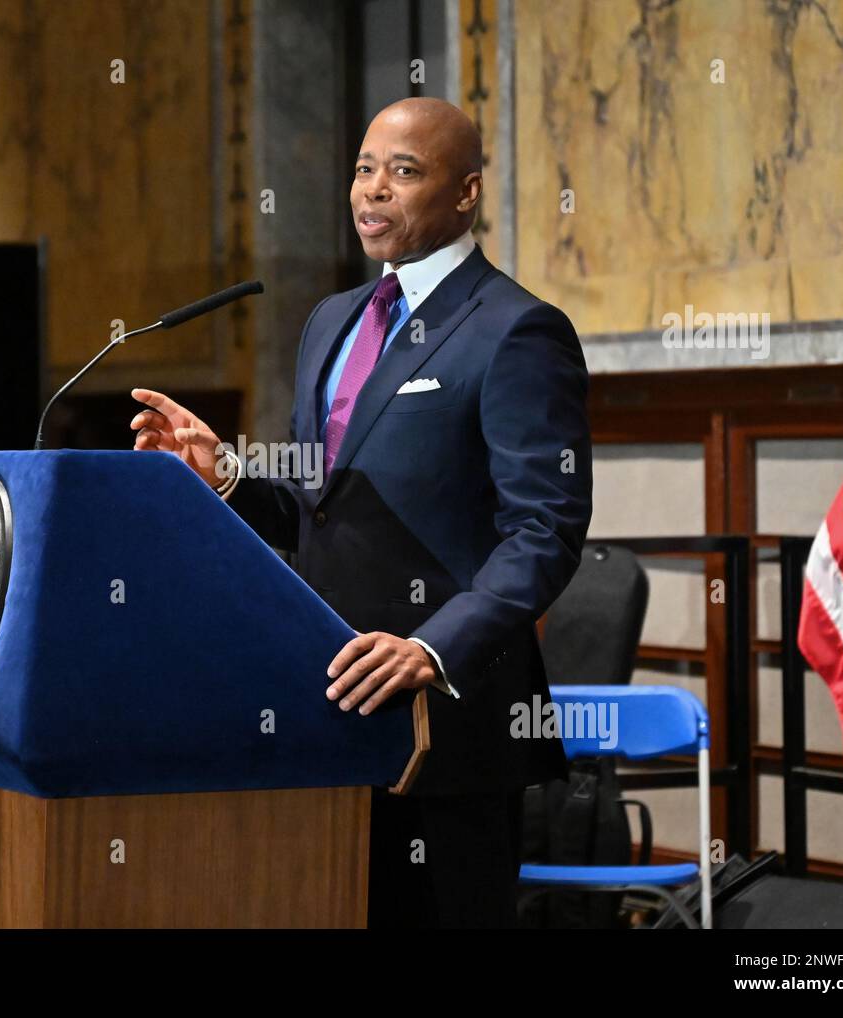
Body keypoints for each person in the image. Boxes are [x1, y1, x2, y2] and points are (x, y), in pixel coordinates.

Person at [129, 97, 592, 928]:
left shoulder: (517, 330)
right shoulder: (331, 321)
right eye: (363, 168)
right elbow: (324, 512)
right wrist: (229, 479)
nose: (372, 190)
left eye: (404, 172)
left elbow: (546, 531)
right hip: (325, 711)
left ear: (466, 193)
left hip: (445, 730)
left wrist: (431, 647)